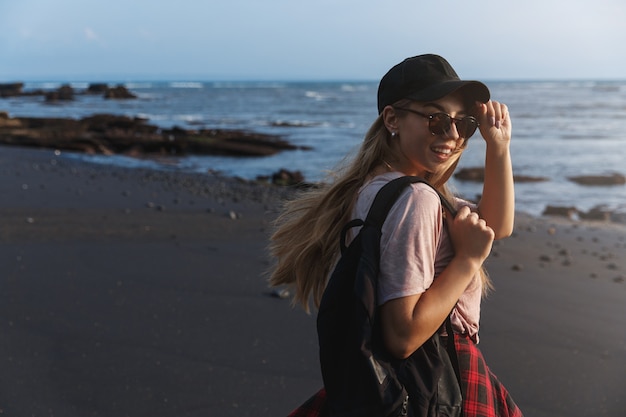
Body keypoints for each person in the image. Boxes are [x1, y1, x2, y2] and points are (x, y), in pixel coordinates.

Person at [269, 54, 522, 417]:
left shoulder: (375, 189)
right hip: (438, 374)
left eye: (462, 124)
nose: (451, 135)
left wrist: (497, 145)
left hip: (397, 379)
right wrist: (467, 261)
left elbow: (496, 226)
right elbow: (402, 336)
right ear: (392, 119)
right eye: (436, 119)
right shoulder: (416, 199)